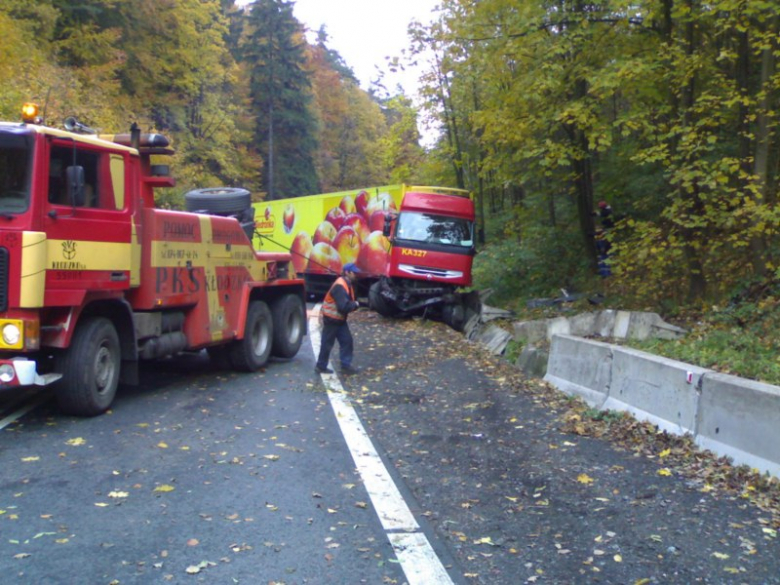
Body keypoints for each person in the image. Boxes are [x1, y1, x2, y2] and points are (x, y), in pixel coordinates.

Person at [315, 263, 361, 375]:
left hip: (338, 320)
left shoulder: (346, 284)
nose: (356, 275)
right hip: (332, 319)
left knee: (347, 341)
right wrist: (355, 304)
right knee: (327, 343)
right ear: (347, 272)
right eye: (354, 272)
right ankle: (321, 366)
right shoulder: (340, 286)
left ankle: (345, 366)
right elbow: (343, 307)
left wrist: (354, 304)